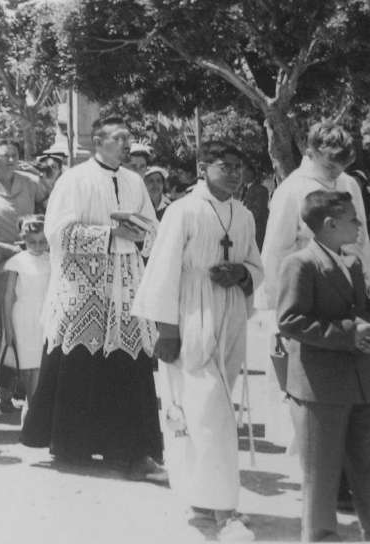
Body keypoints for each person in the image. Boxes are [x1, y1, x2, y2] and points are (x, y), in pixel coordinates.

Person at [20, 117, 165, 480]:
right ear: (98, 141)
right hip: (83, 285)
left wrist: (138, 234)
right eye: (119, 138)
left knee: (127, 364)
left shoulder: (134, 182)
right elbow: (58, 233)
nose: (127, 144)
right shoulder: (75, 179)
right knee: (79, 362)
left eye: (129, 138)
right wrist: (111, 234)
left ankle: (130, 449)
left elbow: (154, 230)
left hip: (125, 285)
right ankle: (73, 445)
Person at [132, 141, 263, 541]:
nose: (236, 172)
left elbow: (257, 265)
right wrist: (167, 331)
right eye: (227, 164)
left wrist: (241, 273)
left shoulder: (242, 214)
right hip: (191, 312)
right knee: (209, 414)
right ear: (203, 167)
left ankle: (202, 497)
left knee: (208, 413)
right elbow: (163, 269)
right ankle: (226, 511)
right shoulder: (182, 210)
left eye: (240, 165)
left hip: (231, 316)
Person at [257, 121, 370, 447]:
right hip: (307, 289)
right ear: (312, 152)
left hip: (347, 290)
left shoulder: (349, 183)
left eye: (342, 166)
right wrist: (276, 306)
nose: (336, 173)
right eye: (331, 165)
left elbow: (362, 240)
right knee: (309, 378)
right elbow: (276, 248)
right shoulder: (292, 189)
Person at [276, 190, 370, 542]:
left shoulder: (353, 262)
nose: (360, 224)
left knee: (366, 466)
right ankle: (321, 536)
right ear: (330, 224)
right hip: (319, 386)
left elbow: (360, 307)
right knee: (322, 472)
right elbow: (290, 320)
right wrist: (349, 332)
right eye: (353, 219)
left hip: (359, 381)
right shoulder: (301, 263)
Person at [0, 139, 51, 418]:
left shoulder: (29, 182)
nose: (12, 159)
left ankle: (29, 392)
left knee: (29, 327)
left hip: (30, 263)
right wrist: (0, 252)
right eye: (5, 156)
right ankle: (0, 392)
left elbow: (48, 204)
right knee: (1, 330)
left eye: (15, 154)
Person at [2, 215, 50, 416]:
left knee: (39, 366)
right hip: (22, 318)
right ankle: (31, 408)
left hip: (44, 317)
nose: (37, 247)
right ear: (24, 240)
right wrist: (7, 328)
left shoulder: (52, 260)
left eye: (41, 242)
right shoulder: (17, 261)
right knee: (26, 368)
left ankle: (34, 411)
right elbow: (7, 297)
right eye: (32, 242)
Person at [238, 162, 269, 249]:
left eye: (242, 172)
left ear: (249, 174)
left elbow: (257, 212)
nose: (240, 175)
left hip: (256, 233)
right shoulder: (243, 189)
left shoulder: (261, 190)